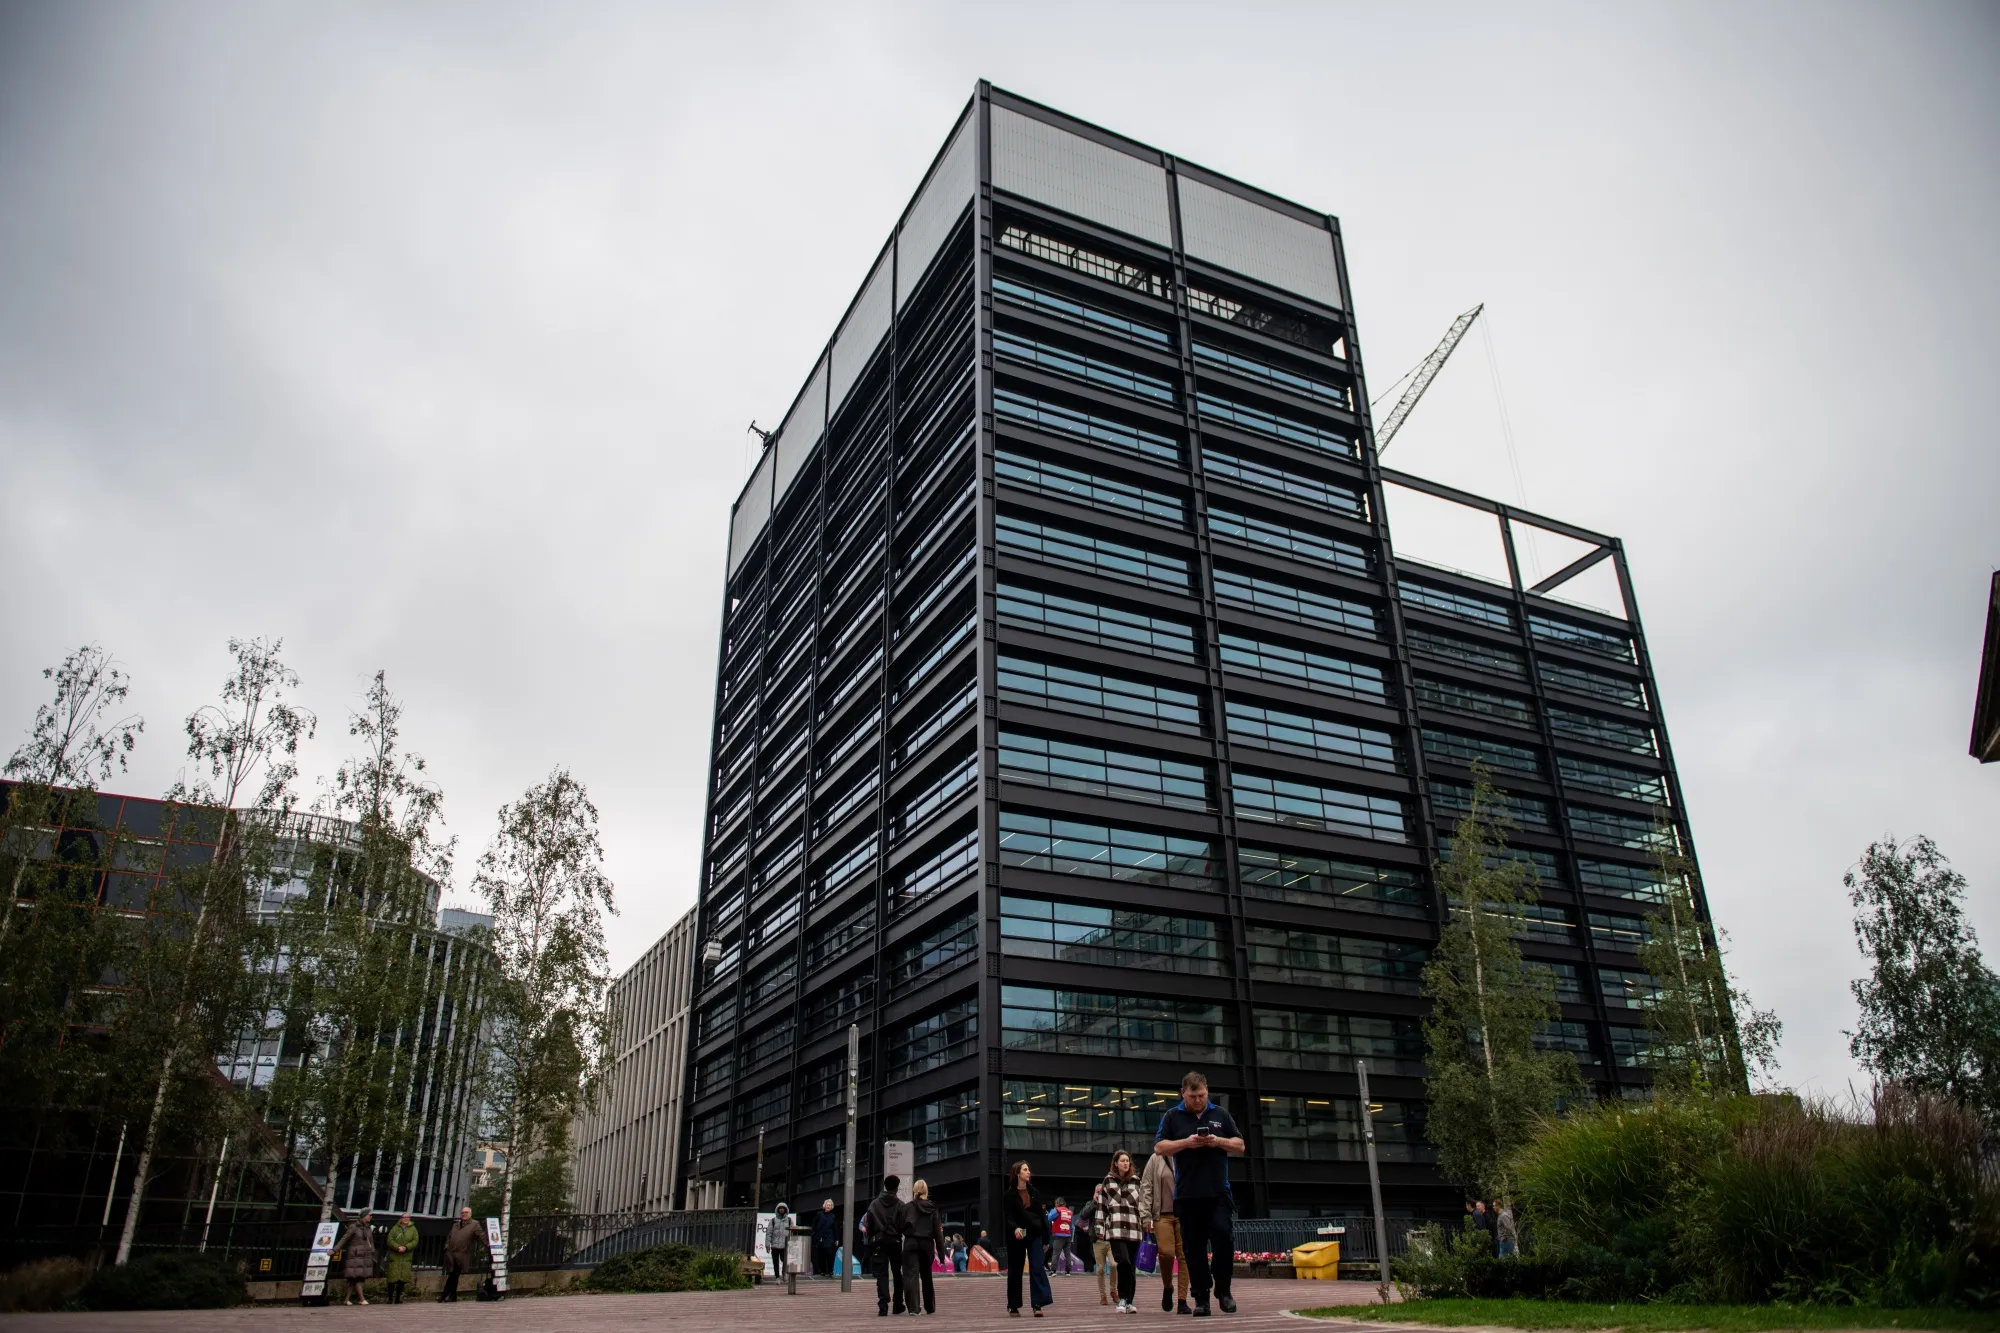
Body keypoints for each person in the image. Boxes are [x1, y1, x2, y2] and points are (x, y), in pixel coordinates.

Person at [1154, 1071, 1244, 1317]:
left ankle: (1223, 1290)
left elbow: (1240, 1145)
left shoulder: (1220, 1114)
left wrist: (1217, 1141)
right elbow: (1159, 1147)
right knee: (1193, 1250)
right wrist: (1186, 1142)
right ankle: (1201, 1298)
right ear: (1183, 1093)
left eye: (1202, 1095)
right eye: (1193, 1096)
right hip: (1187, 1195)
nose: (1198, 1101)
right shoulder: (1172, 1116)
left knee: (1223, 1235)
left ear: (1207, 1091)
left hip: (1218, 1193)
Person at [1141, 1135, 1190, 1314]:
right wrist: (1146, 1216)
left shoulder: (1186, 1156)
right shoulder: (1155, 1159)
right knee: (1166, 1253)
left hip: (1184, 1215)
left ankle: (1182, 1300)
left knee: (1184, 1256)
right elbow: (1146, 1186)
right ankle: (1168, 1286)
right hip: (1162, 1215)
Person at [1094, 1150, 1145, 1313]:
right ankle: (1122, 1298)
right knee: (1123, 1261)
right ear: (1115, 1163)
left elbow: (1143, 1204)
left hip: (1133, 1229)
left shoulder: (1137, 1181)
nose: (1125, 1163)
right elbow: (1102, 1206)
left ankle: (1129, 1301)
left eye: (1127, 1161)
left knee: (1131, 1267)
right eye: (1122, 1161)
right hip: (1115, 1229)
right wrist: (1099, 1228)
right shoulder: (1108, 1181)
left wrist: (1146, 1222)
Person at [1002, 1160, 1051, 1317]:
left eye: (1028, 1169)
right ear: (1018, 1173)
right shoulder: (1009, 1195)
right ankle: (1013, 1305)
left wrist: (1046, 1239)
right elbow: (1007, 1217)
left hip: (1034, 1233)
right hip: (1017, 1235)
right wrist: (1015, 1228)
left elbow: (1042, 1216)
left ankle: (1038, 1304)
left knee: (1037, 1266)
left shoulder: (1034, 1193)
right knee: (1015, 1269)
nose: (1028, 1172)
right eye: (1025, 1170)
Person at [866, 1175, 909, 1316]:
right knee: (897, 1273)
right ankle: (898, 1304)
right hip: (895, 1241)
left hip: (879, 1242)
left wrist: (871, 1241)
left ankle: (883, 1306)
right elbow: (903, 1226)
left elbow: (869, 1226)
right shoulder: (901, 1205)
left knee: (882, 1274)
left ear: (885, 1186)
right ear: (896, 1188)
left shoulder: (874, 1204)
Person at [902, 1179, 945, 1315]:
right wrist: (942, 1254)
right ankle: (930, 1306)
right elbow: (938, 1233)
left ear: (914, 1191)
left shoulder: (907, 1207)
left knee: (911, 1275)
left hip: (911, 1242)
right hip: (927, 1244)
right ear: (926, 1191)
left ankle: (914, 1308)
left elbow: (900, 1226)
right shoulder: (932, 1209)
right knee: (926, 1276)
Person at [442, 1206, 483, 1302]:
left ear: (470, 1214)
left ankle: (444, 1295)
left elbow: (481, 1235)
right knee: (453, 1274)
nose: (464, 1214)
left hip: (462, 1254)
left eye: (466, 1212)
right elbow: (449, 1237)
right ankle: (452, 1296)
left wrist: (490, 1245)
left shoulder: (474, 1224)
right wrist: (446, 1247)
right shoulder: (455, 1225)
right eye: (462, 1212)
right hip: (451, 1253)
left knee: (454, 1274)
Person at [338, 1209, 376, 1307]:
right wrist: (334, 1250)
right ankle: (362, 1299)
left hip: (365, 1256)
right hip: (355, 1257)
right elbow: (344, 1239)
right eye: (369, 1215)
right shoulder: (353, 1227)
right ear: (364, 1216)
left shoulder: (367, 1228)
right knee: (358, 1278)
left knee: (353, 1280)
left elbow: (371, 1240)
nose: (371, 1217)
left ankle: (346, 1300)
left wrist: (372, 1250)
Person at [384, 1212, 418, 1304]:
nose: (406, 1219)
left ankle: (398, 1297)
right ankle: (390, 1297)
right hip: (395, 1255)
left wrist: (406, 1247)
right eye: (404, 1217)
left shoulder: (413, 1229)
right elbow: (390, 1240)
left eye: (408, 1217)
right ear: (401, 1218)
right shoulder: (395, 1228)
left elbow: (415, 1241)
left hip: (406, 1256)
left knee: (402, 1279)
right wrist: (397, 1247)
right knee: (392, 1278)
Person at [1047, 1196, 1075, 1275]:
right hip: (1068, 1235)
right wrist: (1071, 1237)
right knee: (1067, 1254)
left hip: (1059, 1235)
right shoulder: (1070, 1212)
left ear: (1057, 1203)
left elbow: (1049, 1218)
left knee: (1056, 1253)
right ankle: (1068, 1271)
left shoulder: (1057, 1210)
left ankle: (1053, 1271)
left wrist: (1053, 1210)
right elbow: (1072, 1226)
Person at [813, 1199, 840, 1277]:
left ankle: (831, 1270)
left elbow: (835, 1228)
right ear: (824, 1206)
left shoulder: (833, 1216)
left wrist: (836, 1239)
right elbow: (814, 1225)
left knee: (829, 1254)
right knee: (821, 1255)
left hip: (829, 1237)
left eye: (830, 1205)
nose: (828, 1206)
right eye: (827, 1205)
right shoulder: (819, 1214)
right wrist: (814, 1234)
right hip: (820, 1238)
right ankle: (823, 1271)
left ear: (831, 1207)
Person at [767, 1202, 794, 1281]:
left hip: (785, 1245)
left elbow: (793, 1232)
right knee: (775, 1262)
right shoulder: (773, 1221)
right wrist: (767, 1244)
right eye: (780, 1208)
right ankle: (777, 1277)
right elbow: (769, 1233)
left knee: (785, 1261)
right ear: (777, 1210)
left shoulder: (789, 1220)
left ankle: (784, 1273)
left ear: (786, 1210)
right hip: (775, 1245)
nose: (782, 1210)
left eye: (783, 1208)